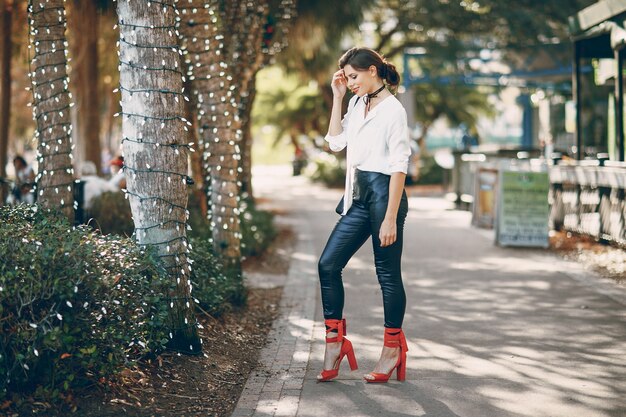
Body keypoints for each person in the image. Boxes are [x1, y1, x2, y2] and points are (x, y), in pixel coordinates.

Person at [317, 47, 411, 383]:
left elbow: (400, 165)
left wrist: (389, 217)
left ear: (373, 70)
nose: (350, 82)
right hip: (358, 196)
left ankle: (392, 349)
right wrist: (338, 97)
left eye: (353, 77)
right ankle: (334, 343)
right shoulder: (356, 103)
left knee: (386, 274)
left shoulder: (393, 111)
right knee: (328, 264)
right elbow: (335, 143)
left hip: (386, 196)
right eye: (347, 78)